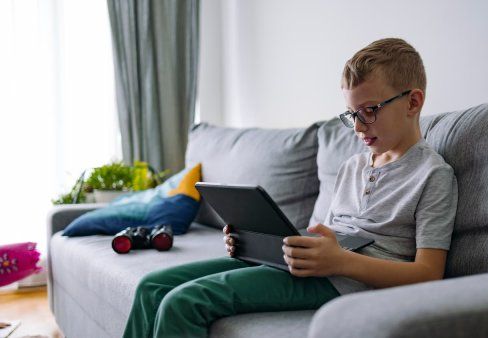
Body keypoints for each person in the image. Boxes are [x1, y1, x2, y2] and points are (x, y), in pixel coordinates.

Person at [123, 37, 458, 338]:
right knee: (152, 286)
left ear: (413, 103)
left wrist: (340, 261)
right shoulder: (352, 166)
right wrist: (256, 242)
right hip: (317, 266)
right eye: (352, 114)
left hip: (345, 283)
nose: (357, 126)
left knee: (185, 302)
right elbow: (328, 236)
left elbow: (428, 275)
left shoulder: (433, 175)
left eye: (369, 111)